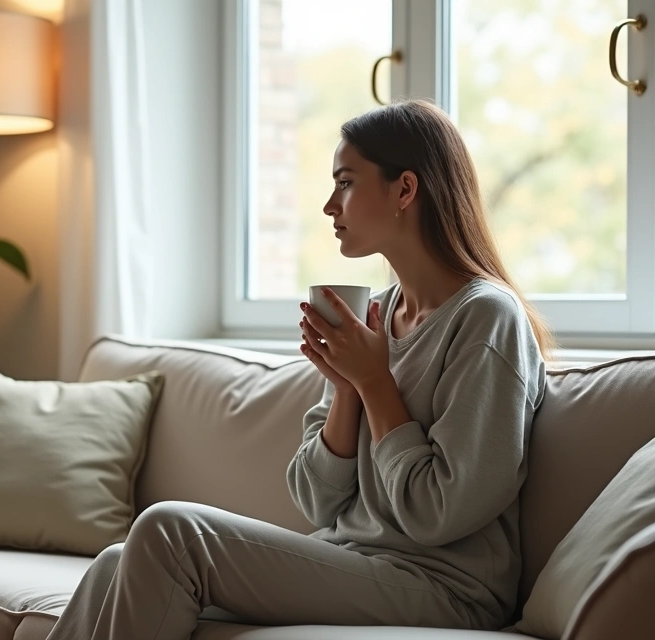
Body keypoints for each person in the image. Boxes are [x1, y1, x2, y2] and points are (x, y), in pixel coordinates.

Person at [45, 99, 552, 639]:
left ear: (405, 189)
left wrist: (374, 381)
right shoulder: (372, 316)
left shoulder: (486, 318)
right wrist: (348, 389)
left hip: (445, 587)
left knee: (171, 532)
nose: (330, 206)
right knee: (115, 564)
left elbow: (437, 513)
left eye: (346, 183)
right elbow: (316, 499)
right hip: (353, 559)